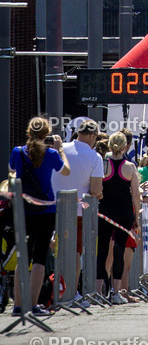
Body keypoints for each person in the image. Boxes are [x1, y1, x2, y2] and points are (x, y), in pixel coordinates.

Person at [9, 117, 71, 316]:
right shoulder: (51, 153)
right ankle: (33, 304)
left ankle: (18, 305)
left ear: (28, 133)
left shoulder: (18, 152)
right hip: (45, 210)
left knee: (22, 255)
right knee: (39, 258)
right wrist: (60, 149)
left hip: (23, 209)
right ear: (47, 135)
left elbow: (11, 170)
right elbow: (66, 171)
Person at [59, 118, 104, 302]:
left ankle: (52, 290)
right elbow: (95, 190)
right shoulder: (95, 157)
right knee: (75, 253)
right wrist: (98, 194)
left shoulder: (61, 149)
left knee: (53, 252)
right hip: (77, 211)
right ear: (92, 136)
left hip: (52, 208)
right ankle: (71, 291)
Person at [96, 131, 141, 305]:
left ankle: (98, 292)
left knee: (102, 250)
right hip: (123, 213)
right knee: (119, 251)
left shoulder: (103, 165)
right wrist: (136, 217)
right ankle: (115, 292)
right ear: (125, 147)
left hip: (105, 211)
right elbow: (136, 195)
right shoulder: (130, 167)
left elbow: (96, 187)